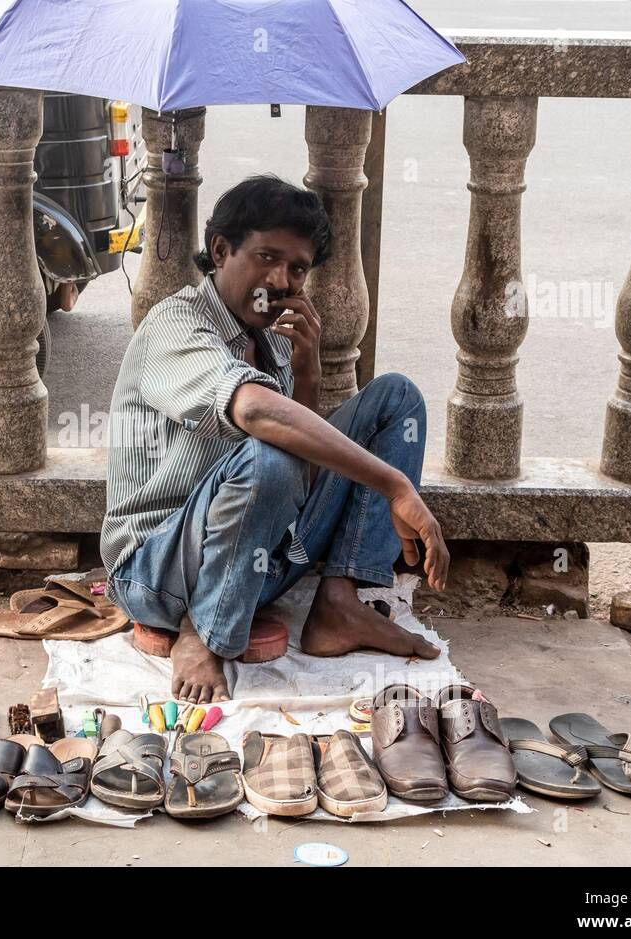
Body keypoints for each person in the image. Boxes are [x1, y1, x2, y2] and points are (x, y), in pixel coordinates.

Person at [101, 174, 451, 704]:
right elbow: (257, 413)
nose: (282, 280)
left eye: (298, 268)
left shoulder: (274, 339)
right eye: (267, 257)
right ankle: (204, 631)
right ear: (220, 250)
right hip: (157, 573)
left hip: (259, 562)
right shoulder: (175, 323)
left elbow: (299, 482)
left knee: (395, 399)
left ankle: (340, 603)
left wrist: (308, 376)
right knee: (269, 455)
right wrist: (394, 485)